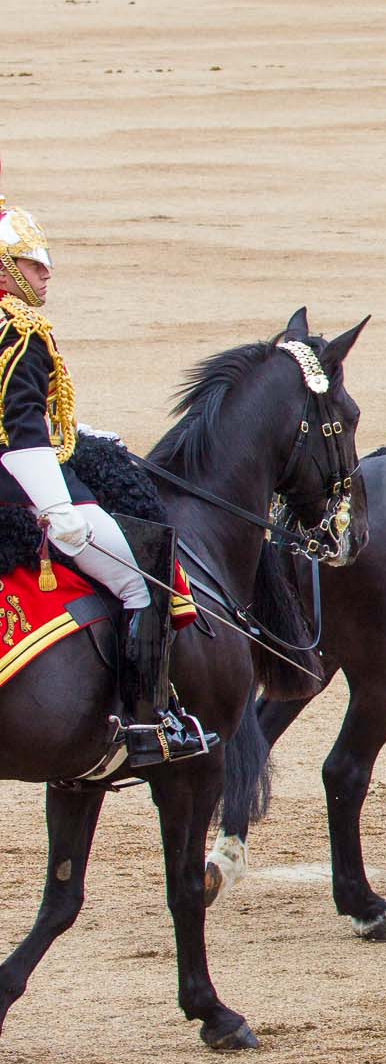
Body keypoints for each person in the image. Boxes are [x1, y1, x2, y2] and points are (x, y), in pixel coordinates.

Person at [0, 191, 213, 767]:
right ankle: (148, 724)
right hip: (20, 489)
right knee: (139, 583)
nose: (46, 274)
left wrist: (82, 432)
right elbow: (21, 434)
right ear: (4, 268)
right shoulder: (20, 333)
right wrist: (56, 510)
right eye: (32, 263)